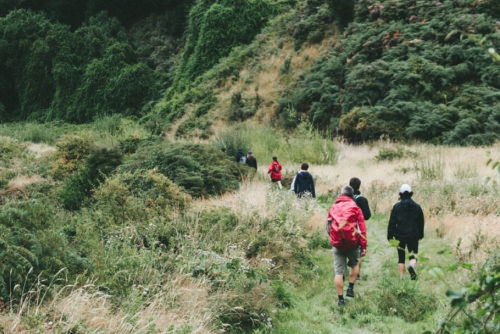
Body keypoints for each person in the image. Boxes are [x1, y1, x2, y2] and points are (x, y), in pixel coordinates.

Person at [326, 185, 367, 306]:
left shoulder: (333, 207)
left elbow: (328, 226)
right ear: (352, 195)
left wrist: (333, 239)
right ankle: (350, 288)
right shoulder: (356, 208)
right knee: (354, 264)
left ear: (341, 195)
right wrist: (363, 247)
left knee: (339, 272)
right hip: (353, 243)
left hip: (337, 244)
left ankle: (340, 300)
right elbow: (362, 229)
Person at [387, 184, 424, 280]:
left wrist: (390, 236)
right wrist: (420, 234)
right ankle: (411, 266)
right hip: (413, 235)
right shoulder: (417, 207)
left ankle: (402, 278)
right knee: (413, 255)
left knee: (401, 257)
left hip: (400, 235)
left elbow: (392, 222)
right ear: (411, 194)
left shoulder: (396, 207)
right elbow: (421, 222)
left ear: (400, 194)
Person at [349, 177, 371, 280]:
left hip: (344, 228)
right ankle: (356, 274)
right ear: (359, 186)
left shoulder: (344, 198)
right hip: (357, 228)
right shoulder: (362, 200)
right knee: (359, 251)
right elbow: (367, 215)